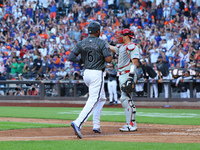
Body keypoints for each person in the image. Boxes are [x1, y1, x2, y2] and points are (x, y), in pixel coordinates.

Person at [68, 21, 112, 139]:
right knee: (94, 98)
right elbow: (108, 59)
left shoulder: (81, 42)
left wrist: (82, 61)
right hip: (97, 73)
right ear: (98, 31)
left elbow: (71, 57)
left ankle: (96, 125)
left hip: (86, 73)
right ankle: (78, 122)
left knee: (101, 97)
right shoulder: (102, 42)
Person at [110, 28, 140, 132]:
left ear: (127, 36)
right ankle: (130, 124)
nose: (120, 36)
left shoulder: (133, 46)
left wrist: (131, 76)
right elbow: (113, 48)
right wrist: (99, 43)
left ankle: (131, 124)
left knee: (126, 98)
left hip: (128, 73)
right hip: (122, 74)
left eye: (122, 35)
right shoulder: (122, 46)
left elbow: (135, 61)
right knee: (125, 98)